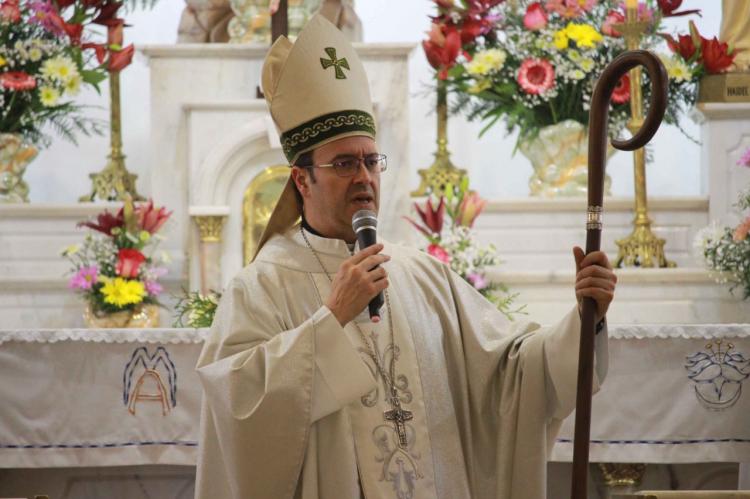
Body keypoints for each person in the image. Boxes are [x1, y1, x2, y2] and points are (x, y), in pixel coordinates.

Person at [195, 14, 616, 499]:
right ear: (301, 179)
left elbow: (513, 374)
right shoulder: (261, 287)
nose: (365, 178)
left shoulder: (421, 275)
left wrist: (586, 319)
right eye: (345, 163)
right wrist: (331, 320)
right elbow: (237, 408)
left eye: (371, 161)